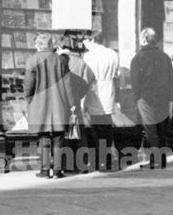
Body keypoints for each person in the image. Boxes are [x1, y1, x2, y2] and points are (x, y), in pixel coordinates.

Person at [24, 32, 74, 178]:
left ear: (38, 45)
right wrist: (71, 104)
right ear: (52, 45)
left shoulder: (32, 60)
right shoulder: (61, 61)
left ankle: (45, 170)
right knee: (59, 138)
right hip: (59, 104)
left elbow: (28, 85)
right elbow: (68, 85)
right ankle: (58, 170)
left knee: (43, 137)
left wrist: (29, 100)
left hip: (40, 104)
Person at [129, 27, 173, 168]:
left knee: (151, 130)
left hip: (146, 97)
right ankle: (161, 160)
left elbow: (135, 82)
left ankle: (154, 160)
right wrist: (172, 98)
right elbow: (171, 79)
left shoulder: (138, 58)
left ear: (144, 40)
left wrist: (136, 99)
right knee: (161, 128)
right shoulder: (165, 57)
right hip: (163, 97)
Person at [57, 34, 96, 171]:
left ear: (59, 46)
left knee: (64, 134)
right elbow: (87, 83)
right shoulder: (81, 62)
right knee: (79, 133)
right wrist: (78, 96)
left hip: (61, 103)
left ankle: (66, 164)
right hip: (76, 103)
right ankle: (83, 163)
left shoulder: (57, 61)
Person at [81, 32, 120, 171]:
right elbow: (117, 74)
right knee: (106, 127)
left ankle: (100, 160)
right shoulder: (112, 54)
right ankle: (107, 159)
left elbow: (85, 77)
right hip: (108, 91)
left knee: (96, 129)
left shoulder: (87, 56)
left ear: (91, 40)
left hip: (94, 93)